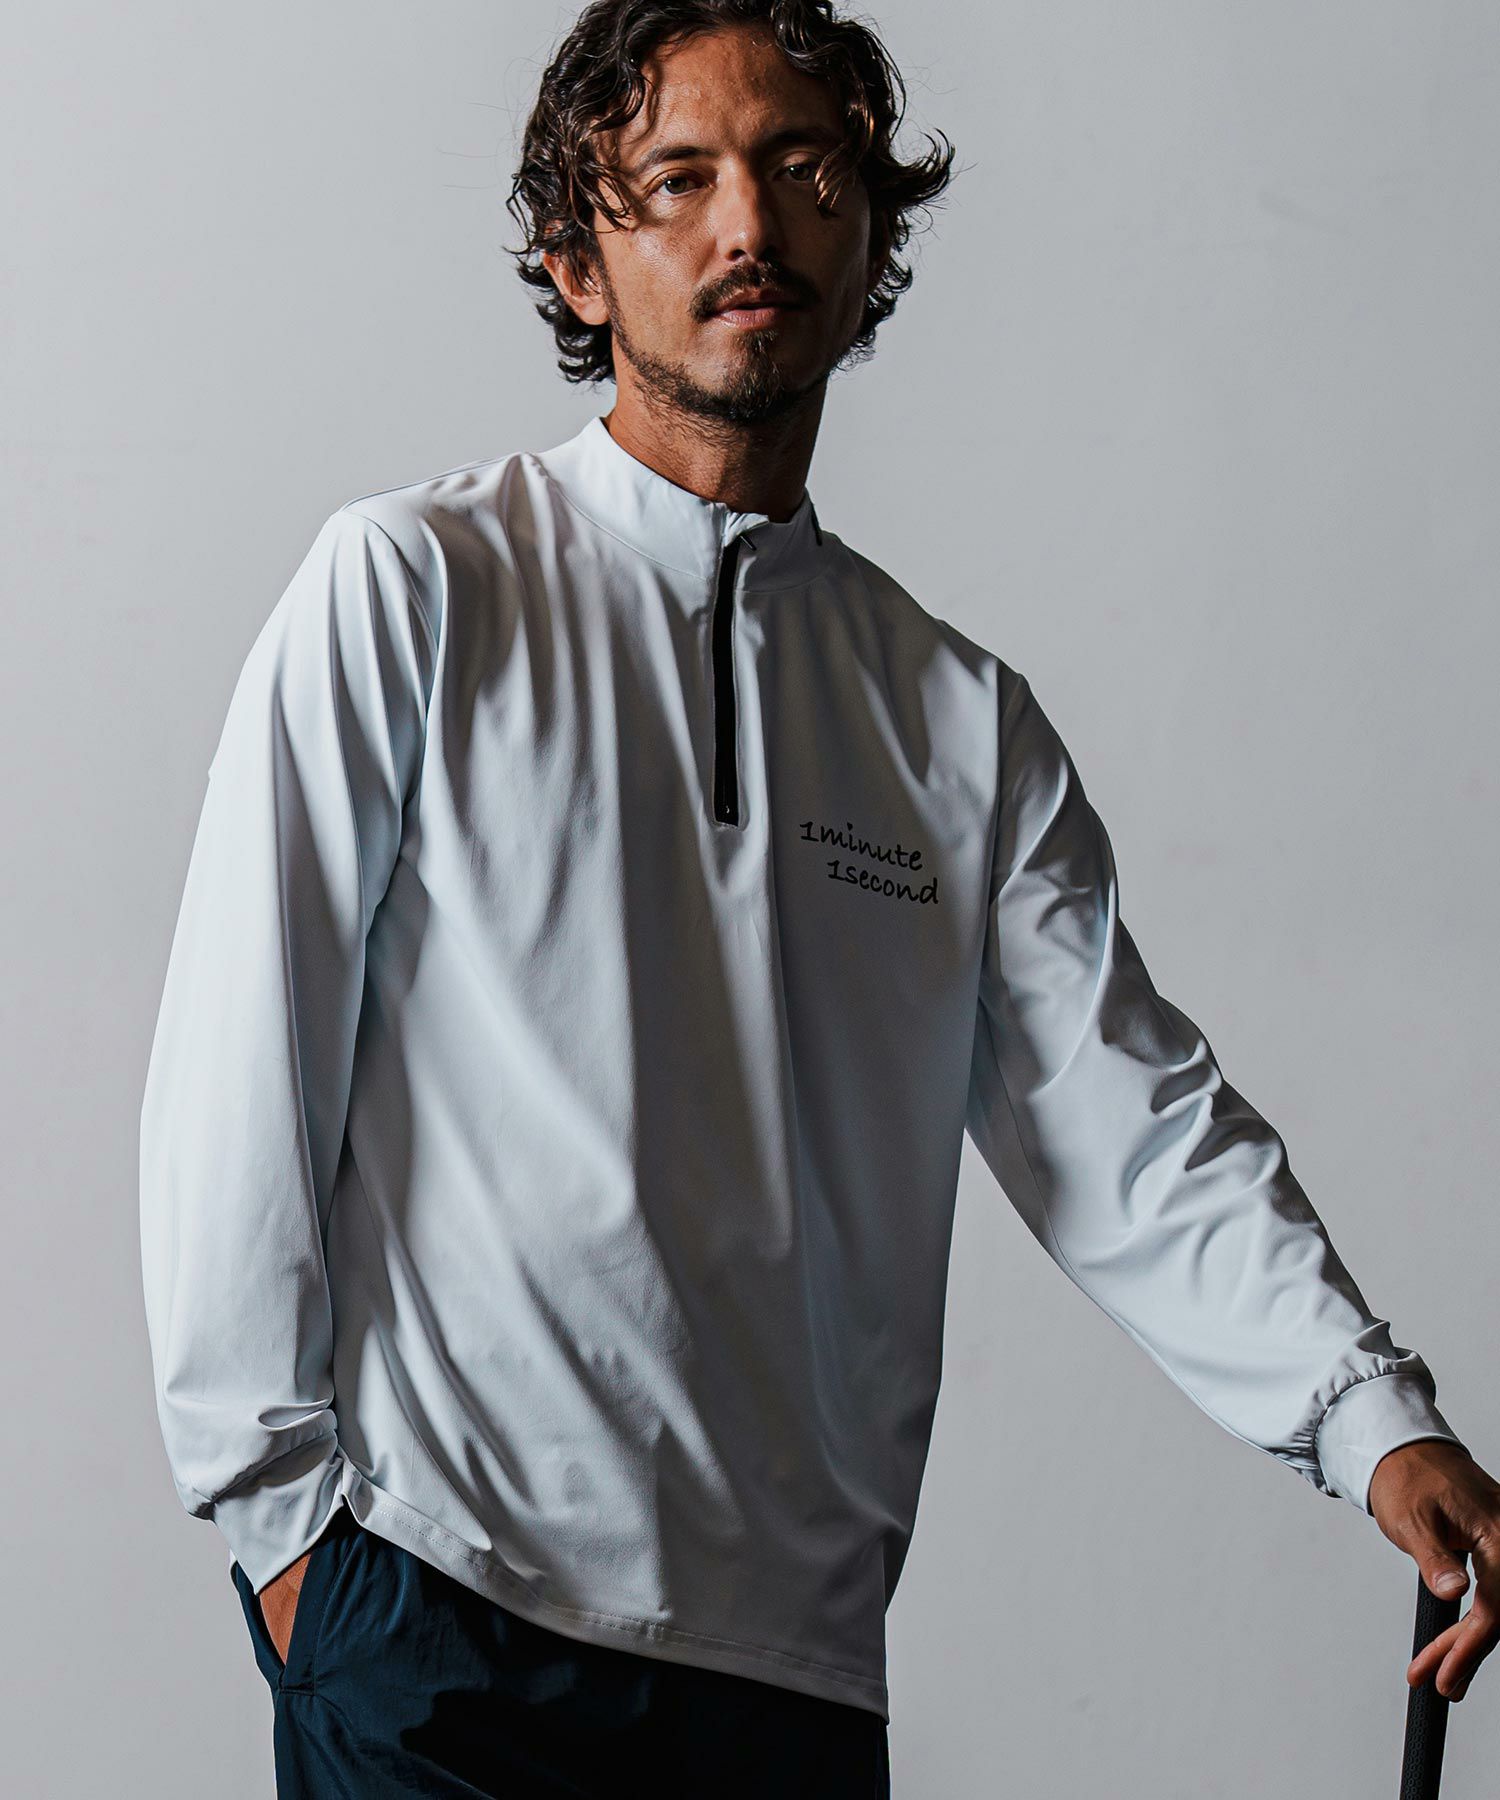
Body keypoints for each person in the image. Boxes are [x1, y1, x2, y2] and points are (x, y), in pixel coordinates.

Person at [138, 2, 1499, 1794]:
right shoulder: (416, 589)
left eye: (802, 169)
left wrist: (1374, 1422)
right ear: (578, 258)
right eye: (676, 180)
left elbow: (1131, 1127)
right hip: (439, 1617)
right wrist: (281, 1527)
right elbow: (245, 1068)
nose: (749, 226)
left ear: (869, 250)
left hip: (790, 1680)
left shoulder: (953, 718)